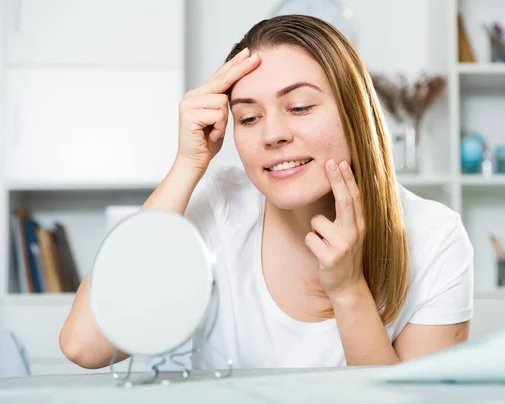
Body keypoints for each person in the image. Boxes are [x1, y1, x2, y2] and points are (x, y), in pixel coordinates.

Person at [59, 14, 474, 370]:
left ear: (354, 112)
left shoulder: (435, 238)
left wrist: (348, 291)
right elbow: (85, 345)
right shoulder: (215, 209)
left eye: (299, 108)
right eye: (249, 117)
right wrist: (187, 166)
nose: (273, 135)